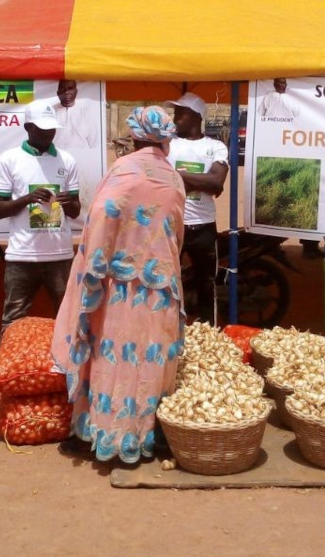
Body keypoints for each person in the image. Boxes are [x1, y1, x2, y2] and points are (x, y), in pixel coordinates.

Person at [50, 105, 186, 464]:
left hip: (117, 289)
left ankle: (102, 432)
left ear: (134, 137)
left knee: (111, 357)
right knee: (151, 360)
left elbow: (101, 217)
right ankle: (148, 435)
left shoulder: (123, 169)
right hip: (160, 288)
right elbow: (176, 232)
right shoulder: (174, 178)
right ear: (166, 141)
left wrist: (93, 269)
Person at [0, 99, 81, 402]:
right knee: (13, 318)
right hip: (22, 256)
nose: (49, 134)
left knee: (67, 317)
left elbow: (76, 210)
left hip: (60, 255)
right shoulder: (9, 159)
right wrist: (27, 199)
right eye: (42, 129)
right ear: (28, 127)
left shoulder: (67, 160)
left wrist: (67, 202)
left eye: (52, 130)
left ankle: (72, 377)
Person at [166, 92, 229, 324]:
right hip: (174, 225)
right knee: (167, 281)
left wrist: (178, 176)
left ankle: (208, 332)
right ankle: (168, 330)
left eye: (181, 112)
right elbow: (160, 178)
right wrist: (202, 181)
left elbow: (216, 182)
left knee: (207, 283)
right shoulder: (168, 145)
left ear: (196, 116)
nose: (175, 117)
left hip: (204, 227)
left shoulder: (216, 147)